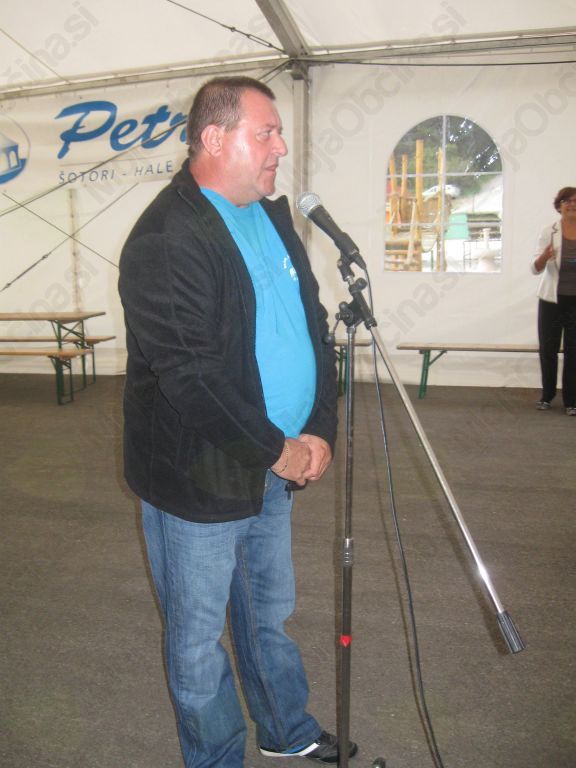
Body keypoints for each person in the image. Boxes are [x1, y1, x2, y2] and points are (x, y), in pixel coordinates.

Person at [118, 76, 357, 767]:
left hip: (274, 466)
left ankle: (286, 730)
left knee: (267, 614)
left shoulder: (271, 217)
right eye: (266, 132)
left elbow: (313, 328)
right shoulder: (166, 238)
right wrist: (278, 449)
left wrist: (320, 428)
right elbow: (191, 377)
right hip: (202, 475)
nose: (281, 146)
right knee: (197, 642)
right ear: (214, 138)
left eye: (279, 132)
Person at [531, 186, 576, 415]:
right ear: (559, 206)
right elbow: (535, 268)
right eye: (567, 201)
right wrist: (544, 256)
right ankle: (546, 396)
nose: (572, 204)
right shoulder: (549, 231)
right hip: (551, 301)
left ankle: (572, 401)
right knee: (548, 350)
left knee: (573, 352)